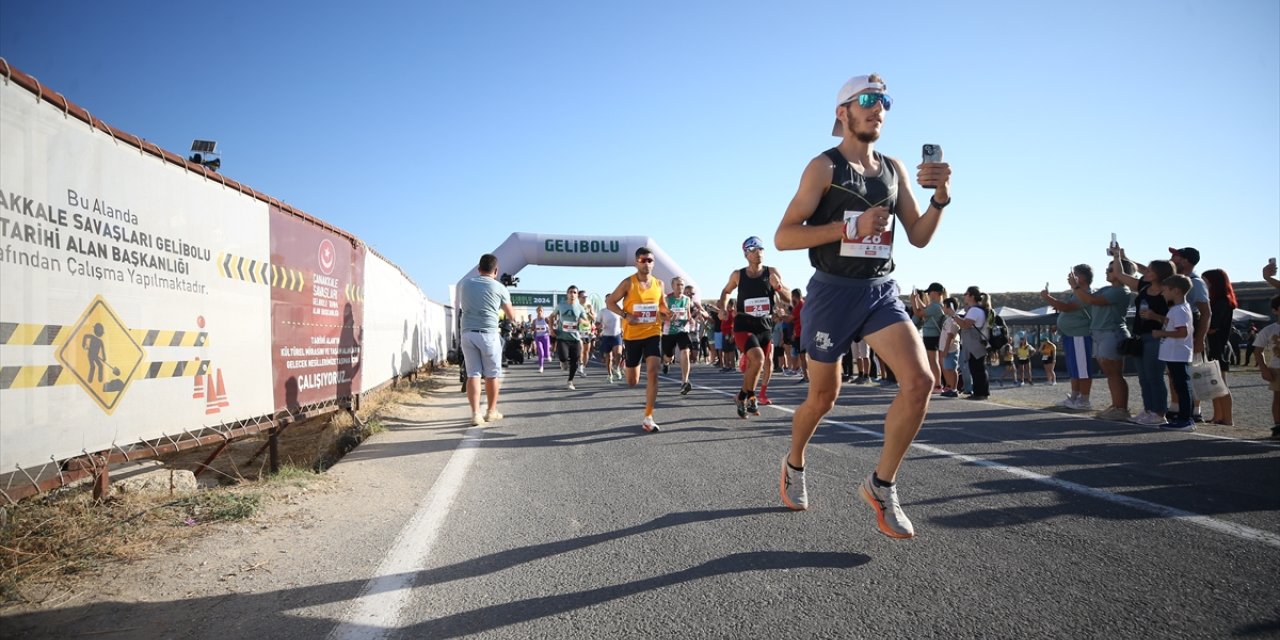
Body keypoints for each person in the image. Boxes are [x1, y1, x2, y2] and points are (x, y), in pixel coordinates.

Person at [773, 73, 952, 539]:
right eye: (868, 99)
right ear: (843, 112)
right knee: (823, 398)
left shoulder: (893, 168)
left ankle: (881, 484)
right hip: (832, 292)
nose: (879, 108)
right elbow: (784, 236)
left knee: (919, 381)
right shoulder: (824, 167)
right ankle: (794, 463)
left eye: (885, 101)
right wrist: (849, 228)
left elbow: (918, 236)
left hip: (880, 290)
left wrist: (941, 199)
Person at [720, 236, 791, 416]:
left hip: (765, 325)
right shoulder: (738, 274)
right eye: (753, 250)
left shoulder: (772, 272)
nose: (758, 253)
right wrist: (723, 308)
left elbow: (789, 299)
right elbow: (726, 291)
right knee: (758, 359)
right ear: (746, 254)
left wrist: (779, 287)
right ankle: (751, 396)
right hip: (744, 324)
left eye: (760, 249)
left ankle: (741, 395)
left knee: (757, 365)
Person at [606, 247, 671, 432]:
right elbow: (610, 302)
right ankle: (628, 364)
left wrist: (667, 314)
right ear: (636, 262)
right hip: (632, 335)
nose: (646, 263)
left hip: (652, 331)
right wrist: (625, 315)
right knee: (632, 381)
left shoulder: (659, 284)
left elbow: (662, 306)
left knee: (653, 371)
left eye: (650, 260)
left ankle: (648, 417)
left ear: (653, 263)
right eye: (643, 260)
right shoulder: (628, 283)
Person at [1111, 249, 1174, 426]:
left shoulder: (1168, 292)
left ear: (1159, 274)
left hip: (1157, 336)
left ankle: (1160, 412)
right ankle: (1148, 410)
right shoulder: (1144, 287)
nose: (1145, 272)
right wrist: (1117, 257)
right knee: (1143, 377)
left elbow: (1175, 318)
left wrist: (1156, 317)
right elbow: (1119, 274)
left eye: (1149, 270)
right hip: (1140, 337)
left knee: (1155, 376)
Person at [458, 253, 518, 426]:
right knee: (492, 375)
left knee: (473, 375)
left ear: (478, 269)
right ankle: (491, 411)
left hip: (468, 333)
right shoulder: (499, 288)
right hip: (488, 334)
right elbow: (511, 316)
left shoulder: (465, 284)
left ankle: (475, 414)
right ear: (496, 270)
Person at [1072, 257, 1136, 421]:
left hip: (1111, 333)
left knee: (1114, 372)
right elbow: (1087, 296)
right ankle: (1116, 406)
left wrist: (1076, 286)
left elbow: (1092, 300)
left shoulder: (1121, 290)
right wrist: (1079, 286)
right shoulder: (1107, 288)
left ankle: (1121, 408)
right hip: (1101, 333)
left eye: (1110, 270)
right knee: (1110, 373)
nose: (1106, 272)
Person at [1041, 265, 1095, 410]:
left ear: (1082, 278)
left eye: (1074, 274)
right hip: (1071, 336)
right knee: (1074, 369)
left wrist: (1048, 298)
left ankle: (1084, 400)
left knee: (1082, 369)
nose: (1069, 277)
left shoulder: (1084, 293)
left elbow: (1067, 307)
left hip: (1079, 336)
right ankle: (1074, 397)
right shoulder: (1076, 293)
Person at [1150, 275, 1196, 431]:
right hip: (1174, 353)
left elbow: (1182, 333)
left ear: (1176, 291)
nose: (1163, 293)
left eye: (1165, 290)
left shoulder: (1179, 310)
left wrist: (1161, 334)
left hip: (1178, 353)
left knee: (1182, 385)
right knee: (1179, 384)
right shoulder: (1179, 309)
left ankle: (1186, 419)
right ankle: (1183, 418)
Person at [1203, 269, 1237, 425]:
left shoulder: (1223, 301)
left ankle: (1228, 418)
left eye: (1207, 281)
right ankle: (1218, 416)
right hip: (1212, 345)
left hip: (1218, 346)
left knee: (1221, 383)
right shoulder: (1215, 301)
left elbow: (1213, 326)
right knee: (1214, 384)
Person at [662, 276, 702, 395]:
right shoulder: (666, 299)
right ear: (673, 286)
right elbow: (660, 316)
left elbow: (688, 314)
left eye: (682, 285)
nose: (680, 287)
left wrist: (691, 320)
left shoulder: (686, 300)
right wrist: (668, 317)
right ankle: (666, 362)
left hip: (682, 330)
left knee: (685, 352)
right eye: (678, 285)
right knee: (668, 356)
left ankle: (684, 381)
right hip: (669, 332)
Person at [949, 287, 991, 400]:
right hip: (976, 342)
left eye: (966, 294)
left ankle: (980, 393)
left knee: (977, 368)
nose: (964, 296)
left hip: (974, 343)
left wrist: (954, 315)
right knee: (977, 368)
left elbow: (965, 325)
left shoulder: (975, 310)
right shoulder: (976, 309)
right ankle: (980, 392)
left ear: (972, 296)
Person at [549, 285, 592, 390]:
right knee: (563, 357)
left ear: (577, 295)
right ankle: (563, 362)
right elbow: (551, 316)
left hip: (575, 338)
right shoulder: (561, 305)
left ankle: (570, 381)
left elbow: (588, 323)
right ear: (567, 294)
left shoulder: (580, 308)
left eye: (574, 292)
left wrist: (583, 321)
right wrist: (551, 329)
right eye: (570, 292)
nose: (572, 294)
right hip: (562, 337)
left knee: (575, 360)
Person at [1253, 294, 1280, 439]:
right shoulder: (1269, 330)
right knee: (1278, 398)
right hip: (1277, 368)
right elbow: (1258, 350)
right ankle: (1278, 425)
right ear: (1275, 311)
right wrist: (1263, 369)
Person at [914, 283, 947, 392]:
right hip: (932, 335)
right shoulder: (936, 305)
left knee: (933, 361)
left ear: (937, 293)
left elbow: (919, 313)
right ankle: (936, 384)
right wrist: (918, 299)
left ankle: (937, 385)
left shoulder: (935, 306)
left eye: (930, 292)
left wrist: (915, 301)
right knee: (932, 360)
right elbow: (924, 309)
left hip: (932, 335)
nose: (928, 294)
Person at [938, 297, 962, 396]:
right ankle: (950, 387)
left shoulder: (953, 320)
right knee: (947, 369)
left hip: (951, 350)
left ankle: (954, 389)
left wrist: (946, 349)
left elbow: (950, 336)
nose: (943, 308)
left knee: (952, 369)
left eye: (944, 306)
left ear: (950, 307)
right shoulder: (948, 319)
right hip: (945, 349)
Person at [597, 306, 624, 382]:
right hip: (606, 336)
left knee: (618, 353)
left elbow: (622, 319)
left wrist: (622, 328)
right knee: (609, 357)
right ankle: (609, 375)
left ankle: (617, 367)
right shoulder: (602, 311)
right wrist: (599, 326)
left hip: (617, 335)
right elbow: (597, 323)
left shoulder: (618, 310)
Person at [790, 288, 809, 383]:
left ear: (794, 296)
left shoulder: (798, 306)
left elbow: (790, 319)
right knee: (804, 356)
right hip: (803, 332)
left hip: (801, 333)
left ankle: (806, 376)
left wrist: (781, 315)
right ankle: (807, 375)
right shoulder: (804, 304)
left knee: (802, 356)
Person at [531, 306, 552, 373]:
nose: (539, 312)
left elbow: (551, 325)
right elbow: (532, 328)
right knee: (541, 352)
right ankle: (541, 367)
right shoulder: (534, 320)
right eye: (538, 311)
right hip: (538, 337)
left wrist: (550, 329)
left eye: (541, 311)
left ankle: (548, 355)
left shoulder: (545, 319)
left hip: (545, 337)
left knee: (546, 353)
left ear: (543, 312)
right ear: (537, 311)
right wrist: (532, 329)